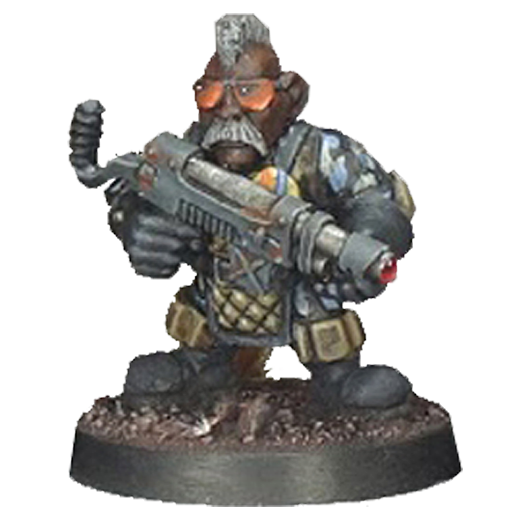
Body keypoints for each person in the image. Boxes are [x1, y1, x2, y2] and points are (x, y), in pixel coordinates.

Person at [70, 14, 416, 412]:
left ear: (290, 95)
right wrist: (138, 226)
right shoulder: (188, 155)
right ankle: (199, 368)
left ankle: (338, 380)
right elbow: (135, 195)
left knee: (332, 347)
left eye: (250, 93)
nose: (229, 110)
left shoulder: (320, 152)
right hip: (217, 296)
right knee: (166, 367)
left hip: (301, 294)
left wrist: (368, 238)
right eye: (212, 93)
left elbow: (377, 202)